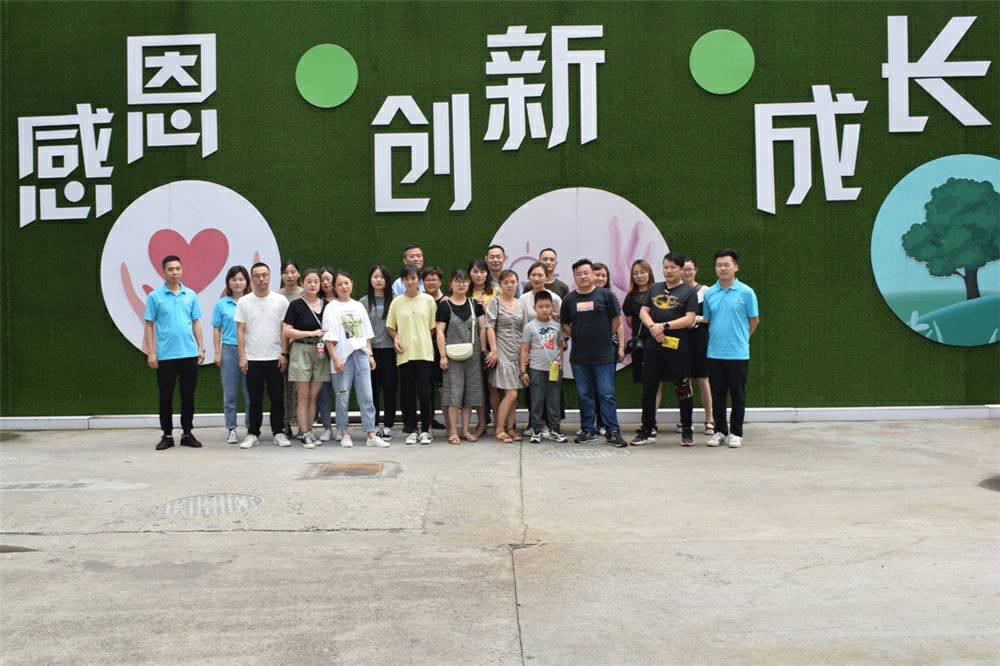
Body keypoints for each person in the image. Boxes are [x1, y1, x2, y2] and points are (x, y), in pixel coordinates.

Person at [631, 253, 698, 447]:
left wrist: (664, 326)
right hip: (653, 346)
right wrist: (654, 327)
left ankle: (687, 430)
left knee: (683, 389)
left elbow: (689, 318)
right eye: (665, 267)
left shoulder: (689, 291)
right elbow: (644, 311)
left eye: (673, 267)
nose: (668, 271)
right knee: (649, 389)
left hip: (678, 347)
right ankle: (647, 431)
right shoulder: (655, 288)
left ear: (681, 270)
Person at [560, 259, 627, 447]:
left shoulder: (605, 295)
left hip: (604, 356)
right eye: (578, 274)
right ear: (574, 277)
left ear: (592, 274)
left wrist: (604, 335)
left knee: (606, 394)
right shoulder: (569, 299)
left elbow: (616, 320)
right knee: (585, 395)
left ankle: (612, 431)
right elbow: (565, 324)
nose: (583, 276)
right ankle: (588, 430)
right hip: (580, 357)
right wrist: (578, 335)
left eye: (586, 272)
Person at [144, 255, 205, 451]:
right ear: (163, 272)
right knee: (166, 397)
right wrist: (151, 352)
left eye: (178, 268)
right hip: (166, 356)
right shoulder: (155, 297)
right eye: (170, 269)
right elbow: (149, 325)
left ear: (182, 270)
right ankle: (167, 435)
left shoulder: (190, 295)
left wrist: (201, 348)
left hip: (189, 354)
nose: (175, 272)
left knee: (188, 396)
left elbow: (196, 322)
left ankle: (187, 433)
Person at [323, 272, 389, 448]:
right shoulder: (331, 308)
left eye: (346, 283)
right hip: (342, 357)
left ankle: (371, 434)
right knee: (342, 396)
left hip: (361, 355)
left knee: (367, 396)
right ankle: (343, 432)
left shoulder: (359, 306)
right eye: (339, 284)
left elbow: (366, 333)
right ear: (334, 287)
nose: (343, 287)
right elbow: (328, 339)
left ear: (351, 283)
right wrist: (335, 359)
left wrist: (370, 355)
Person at [703, 249, 759, 449]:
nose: (723, 268)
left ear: (736, 267)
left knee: (737, 395)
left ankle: (736, 433)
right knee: (717, 396)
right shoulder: (709, 293)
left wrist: (742, 339)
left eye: (727, 265)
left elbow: (754, 320)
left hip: (737, 354)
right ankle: (720, 431)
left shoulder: (746, 292)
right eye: (719, 265)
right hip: (714, 353)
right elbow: (708, 320)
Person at [235, 262, 291, 449]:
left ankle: (278, 432)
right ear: (252, 278)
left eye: (264, 275)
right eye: (257, 276)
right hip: (252, 358)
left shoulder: (280, 301)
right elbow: (240, 331)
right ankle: (253, 433)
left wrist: (283, 353)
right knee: (254, 399)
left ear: (269, 276)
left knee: (277, 398)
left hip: (275, 357)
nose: (261, 279)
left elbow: (284, 329)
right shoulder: (244, 302)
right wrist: (242, 356)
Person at [386, 265, 437, 445]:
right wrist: (396, 338)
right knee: (408, 393)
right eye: (406, 279)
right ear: (402, 281)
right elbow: (390, 327)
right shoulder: (396, 302)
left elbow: (433, 328)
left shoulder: (428, 300)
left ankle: (426, 430)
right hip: (404, 353)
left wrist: (420, 338)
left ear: (419, 280)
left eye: (413, 278)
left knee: (424, 392)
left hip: (424, 353)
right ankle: (412, 430)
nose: (410, 282)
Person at [435, 269, 486, 444]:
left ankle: (465, 430)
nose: (461, 284)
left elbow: (483, 329)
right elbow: (440, 332)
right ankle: (453, 432)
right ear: (450, 285)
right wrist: (443, 356)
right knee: (453, 394)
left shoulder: (475, 304)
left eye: (464, 281)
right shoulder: (444, 306)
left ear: (469, 283)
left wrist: (483, 351)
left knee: (470, 393)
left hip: (473, 356)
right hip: (452, 357)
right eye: (457, 281)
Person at [282, 269, 330, 448]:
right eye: (309, 281)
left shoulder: (326, 305)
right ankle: (304, 433)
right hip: (301, 350)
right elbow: (287, 330)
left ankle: (309, 430)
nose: (313, 284)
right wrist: (309, 333)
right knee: (303, 396)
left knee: (313, 396)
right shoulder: (296, 305)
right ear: (302, 283)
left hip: (321, 351)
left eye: (316, 281)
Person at [485, 269, 528, 442]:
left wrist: (525, 353)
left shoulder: (521, 304)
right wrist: (494, 350)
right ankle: (499, 429)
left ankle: (510, 428)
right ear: (500, 285)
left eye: (512, 282)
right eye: (506, 282)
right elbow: (489, 327)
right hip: (501, 351)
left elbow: (525, 330)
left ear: (517, 283)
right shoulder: (494, 303)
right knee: (511, 393)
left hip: (517, 352)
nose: (510, 285)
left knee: (513, 392)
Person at [519, 291, 568, 443]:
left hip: (554, 370)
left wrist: (560, 362)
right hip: (536, 369)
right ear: (535, 307)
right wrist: (523, 371)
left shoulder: (558, 325)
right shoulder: (529, 327)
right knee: (537, 401)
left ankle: (555, 430)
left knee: (554, 401)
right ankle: (536, 430)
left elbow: (561, 346)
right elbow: (524, 349)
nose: (545, 309)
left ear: (552, 306)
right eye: (541, 306)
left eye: (547, 306)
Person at [213, 265, 251, 444]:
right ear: (228, 282)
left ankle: (251, 429)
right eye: (234, 279)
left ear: (247, 282)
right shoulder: (221, 304)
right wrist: (217, 352)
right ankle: (231, 429)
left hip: (250, 350)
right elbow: (216, 329)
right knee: (230, 393)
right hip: (229, 350)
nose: (238, 283)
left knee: (250, 393)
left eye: (241, 279)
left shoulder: (252, 301)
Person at [622, 259, 659, 434]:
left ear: (649, 273)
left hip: (658, 341)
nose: (639, 276)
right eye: (635, 273)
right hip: (641, 344)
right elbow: (630, 323)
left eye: (642, 272)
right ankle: (649, 422)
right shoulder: (630, 298)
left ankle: (652, 420)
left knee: (657, 382)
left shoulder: (658, 292)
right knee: (646, 383)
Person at [360, 265, 396, 441]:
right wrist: (367, 352)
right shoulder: (363, 302)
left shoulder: (395, 300)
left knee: (389, 390)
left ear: (387, 280)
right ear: (370, 279)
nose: (379, 280)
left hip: (390, 351)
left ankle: (388, 425)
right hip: (370, 352)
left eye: (382, 277)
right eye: (375, 276)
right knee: (371, 390)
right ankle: (373, 424)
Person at [591, 263, 625, 437]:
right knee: (590, 389)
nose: (600, 278)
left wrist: (621, 347)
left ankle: (604, 423)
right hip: (588, 349)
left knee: (605, 389)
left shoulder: (611, 296)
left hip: (608, 348)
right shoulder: (582, 297)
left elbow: (619, 323)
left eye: (603, 275)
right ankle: (589, 425)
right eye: (597, 275)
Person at [682, 258, 714, 435]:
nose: (687, 272)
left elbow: (713, 316)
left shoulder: (706, 291)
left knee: (703, 379)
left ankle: (710, 419)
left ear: (696, 270)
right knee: (685, 380)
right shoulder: (677, 291)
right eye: (684, 269)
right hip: (682, 339)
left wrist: (698, 319)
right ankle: (687, 421)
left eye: (690, 269)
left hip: (700, 338)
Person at [468, 258, 496, 434]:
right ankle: (483, 421)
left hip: (494, 345)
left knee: (495, 384)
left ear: (487, 274)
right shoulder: (464, 291)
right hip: (471, 345)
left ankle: (504, 421)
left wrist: (486, 308)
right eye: (475, 271)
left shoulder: (495, 292)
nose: (479, 275)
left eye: (482, 271)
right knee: (478, 385)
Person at [277, 260, 303, 438]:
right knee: (283, 388)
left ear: (298, 274)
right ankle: (285, 425)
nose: (290, 275)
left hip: (301, 346)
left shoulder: (305, 293)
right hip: (281, 348)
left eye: (293, 272)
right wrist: (283, 350)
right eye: (286, 272)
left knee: (301, 388)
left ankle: (302, 425)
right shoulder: (276, 296)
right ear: (281, 275)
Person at [422, 266, 449, 432]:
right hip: (423, 349)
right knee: (425, 388)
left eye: (434, 279)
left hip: (442, 351)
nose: (431, 282)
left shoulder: (447, 301)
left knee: (443, 389)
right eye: (427, 279)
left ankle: (450, 427)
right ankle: (428, 424)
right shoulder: (419, 300)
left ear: (440, 282)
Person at [314, 266, 339, 441]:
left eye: (328, 279)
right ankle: (327, 427)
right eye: (322, 279)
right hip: (321, 350)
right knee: (323, 389)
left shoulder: (343, 300)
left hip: (340, 351)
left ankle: (341, 427)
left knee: (341, 389)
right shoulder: (317, 302)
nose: (325, 282)